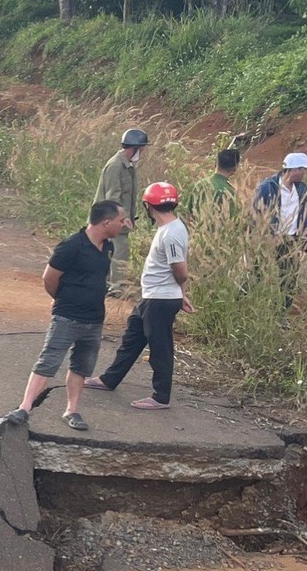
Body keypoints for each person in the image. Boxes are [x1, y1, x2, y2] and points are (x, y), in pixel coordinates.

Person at [15, 200, 130, 432]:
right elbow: (49, 278)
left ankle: (72, 409)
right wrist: (62, 300)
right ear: (106, 222)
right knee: (49, 360)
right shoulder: (71, 246)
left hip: (94, 319)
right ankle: (25, 407)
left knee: (81, 366)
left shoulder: (108, 247)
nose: (124, 224)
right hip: (67, 317)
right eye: (121, 220)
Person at [87, 183, 190, 410]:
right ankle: (109, 379)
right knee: (132, 340)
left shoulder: (171, 233)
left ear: (147, 206)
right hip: (153, 296)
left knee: (160, 347)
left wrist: (178, 292)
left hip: (160, 299)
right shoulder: (170, 229)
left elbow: (180, 270)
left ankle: (160, 396)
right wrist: (181, 294)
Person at [255, 151, 307, 305]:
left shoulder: (301, 188)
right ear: (294, 169)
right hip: (270, 239)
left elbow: (304, 214)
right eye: (302, 169)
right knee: (257, 274)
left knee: (289, 279)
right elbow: (256, 213)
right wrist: (268, 235)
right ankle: (244, 306)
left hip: (291, 240)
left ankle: (282, 313)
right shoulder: (267, 188)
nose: (304, 173)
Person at [96, 128, 147, 289]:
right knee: (119, 251)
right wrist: (121, 219)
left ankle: (108, 283)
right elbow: (113, 197)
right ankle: (116, 286)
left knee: (112, 252)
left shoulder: (128, 166)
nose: (143, 152)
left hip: (116, 219)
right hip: (111, 219)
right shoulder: (115, 166)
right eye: (141, 149)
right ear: (134, 148)